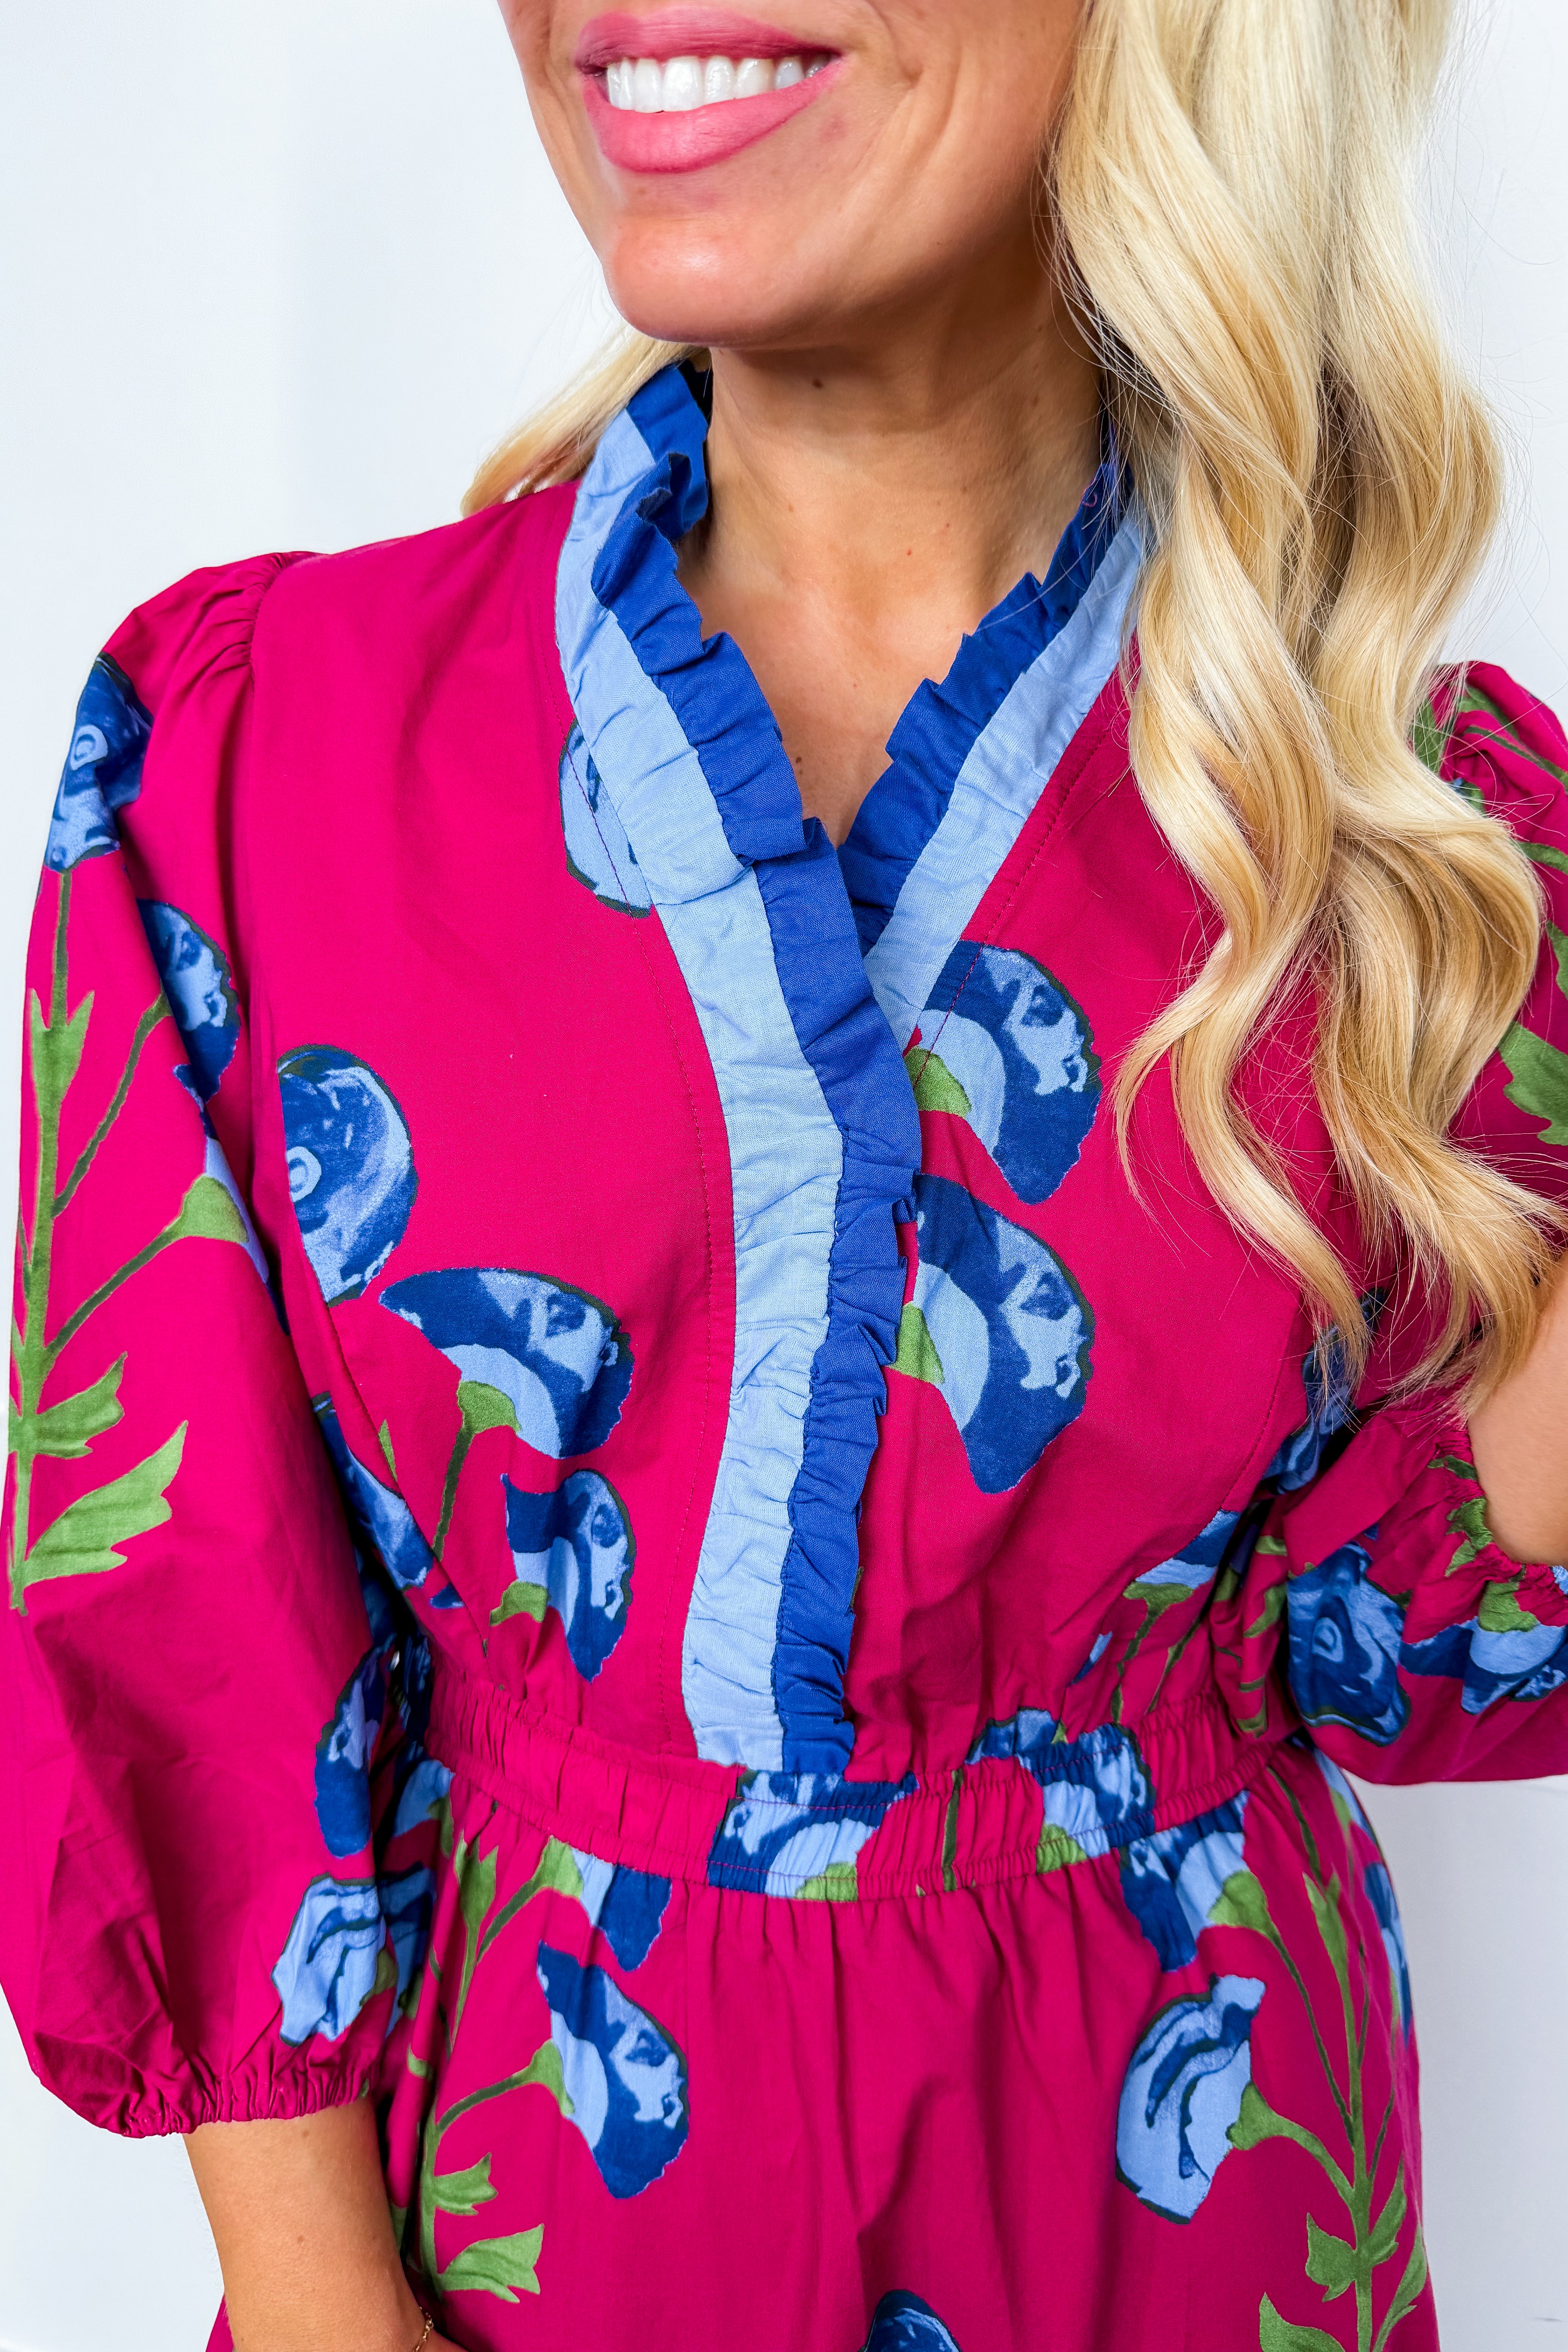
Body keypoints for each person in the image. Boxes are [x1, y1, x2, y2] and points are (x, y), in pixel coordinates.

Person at [4, 2, 1567, 2347]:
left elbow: (1405, 1643)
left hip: (1197, 2221)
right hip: (510, 2242)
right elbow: (181, 1628)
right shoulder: (252, 759)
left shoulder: (1421, 850)